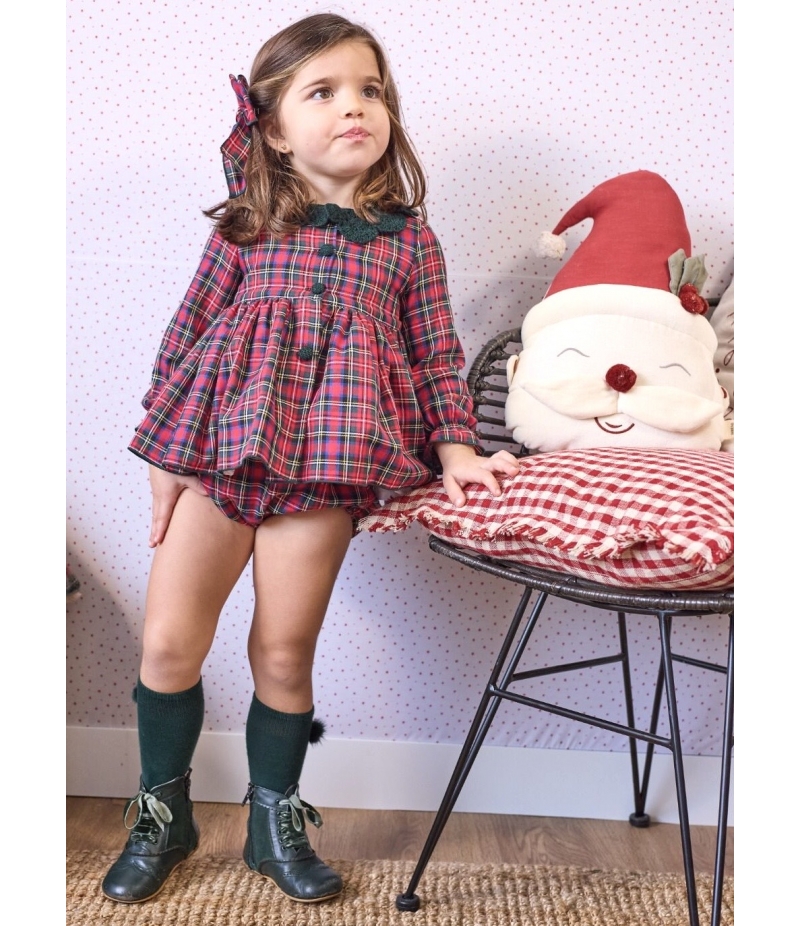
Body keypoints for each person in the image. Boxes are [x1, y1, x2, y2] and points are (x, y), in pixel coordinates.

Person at [101, 12, 519, 907]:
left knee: (284, 652)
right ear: (277, 133)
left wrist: (457, 446)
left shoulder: (409, 241)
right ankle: (162, 817)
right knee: (169, 642)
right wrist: (163, 451)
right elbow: (188, 333)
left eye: (370, 91)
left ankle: (272, 822)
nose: (353, 107)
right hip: (221, 455)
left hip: (326, 464)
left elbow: (436, 353)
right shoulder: (247, 227)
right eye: (322, 92)